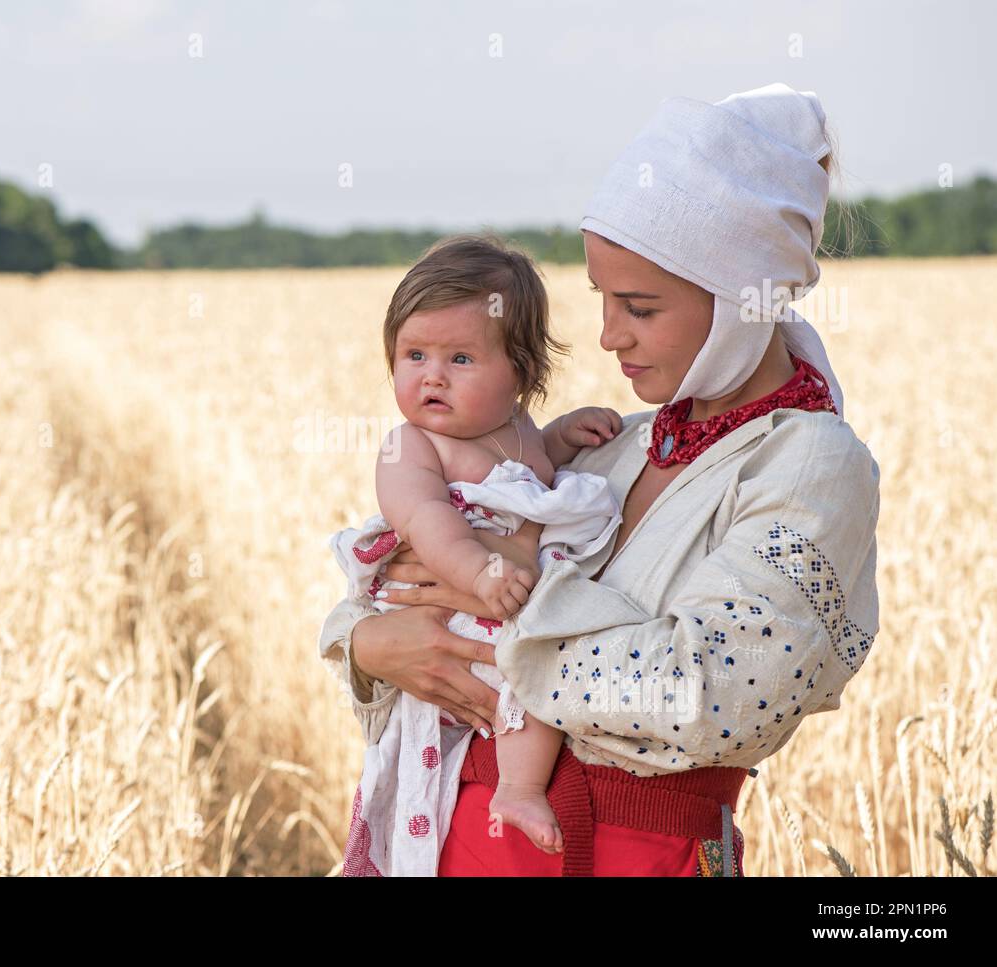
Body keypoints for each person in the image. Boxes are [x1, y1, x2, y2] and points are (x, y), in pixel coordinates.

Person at [318, 82, 881, 876]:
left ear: (739, 302)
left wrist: (509, 613)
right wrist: (371, 643)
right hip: (454, 838)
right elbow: (402, 579)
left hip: (629, 857)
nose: (609, 336)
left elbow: (705, 695)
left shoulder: (812, 466)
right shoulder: (615, 448)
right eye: (602, 300)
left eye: (640, 307)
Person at [327, 234, 625, 874]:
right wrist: (480, 571)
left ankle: (517, 790)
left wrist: (562, 438)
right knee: (514, 674)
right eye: (414, 355)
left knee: (538, 683)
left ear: (520, 372)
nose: (431, 375)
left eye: (460, 357)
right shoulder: (410, 445)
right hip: (453, 603)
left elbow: (526, 478)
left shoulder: (518, 432)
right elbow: (427, 519)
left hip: (507, 607)